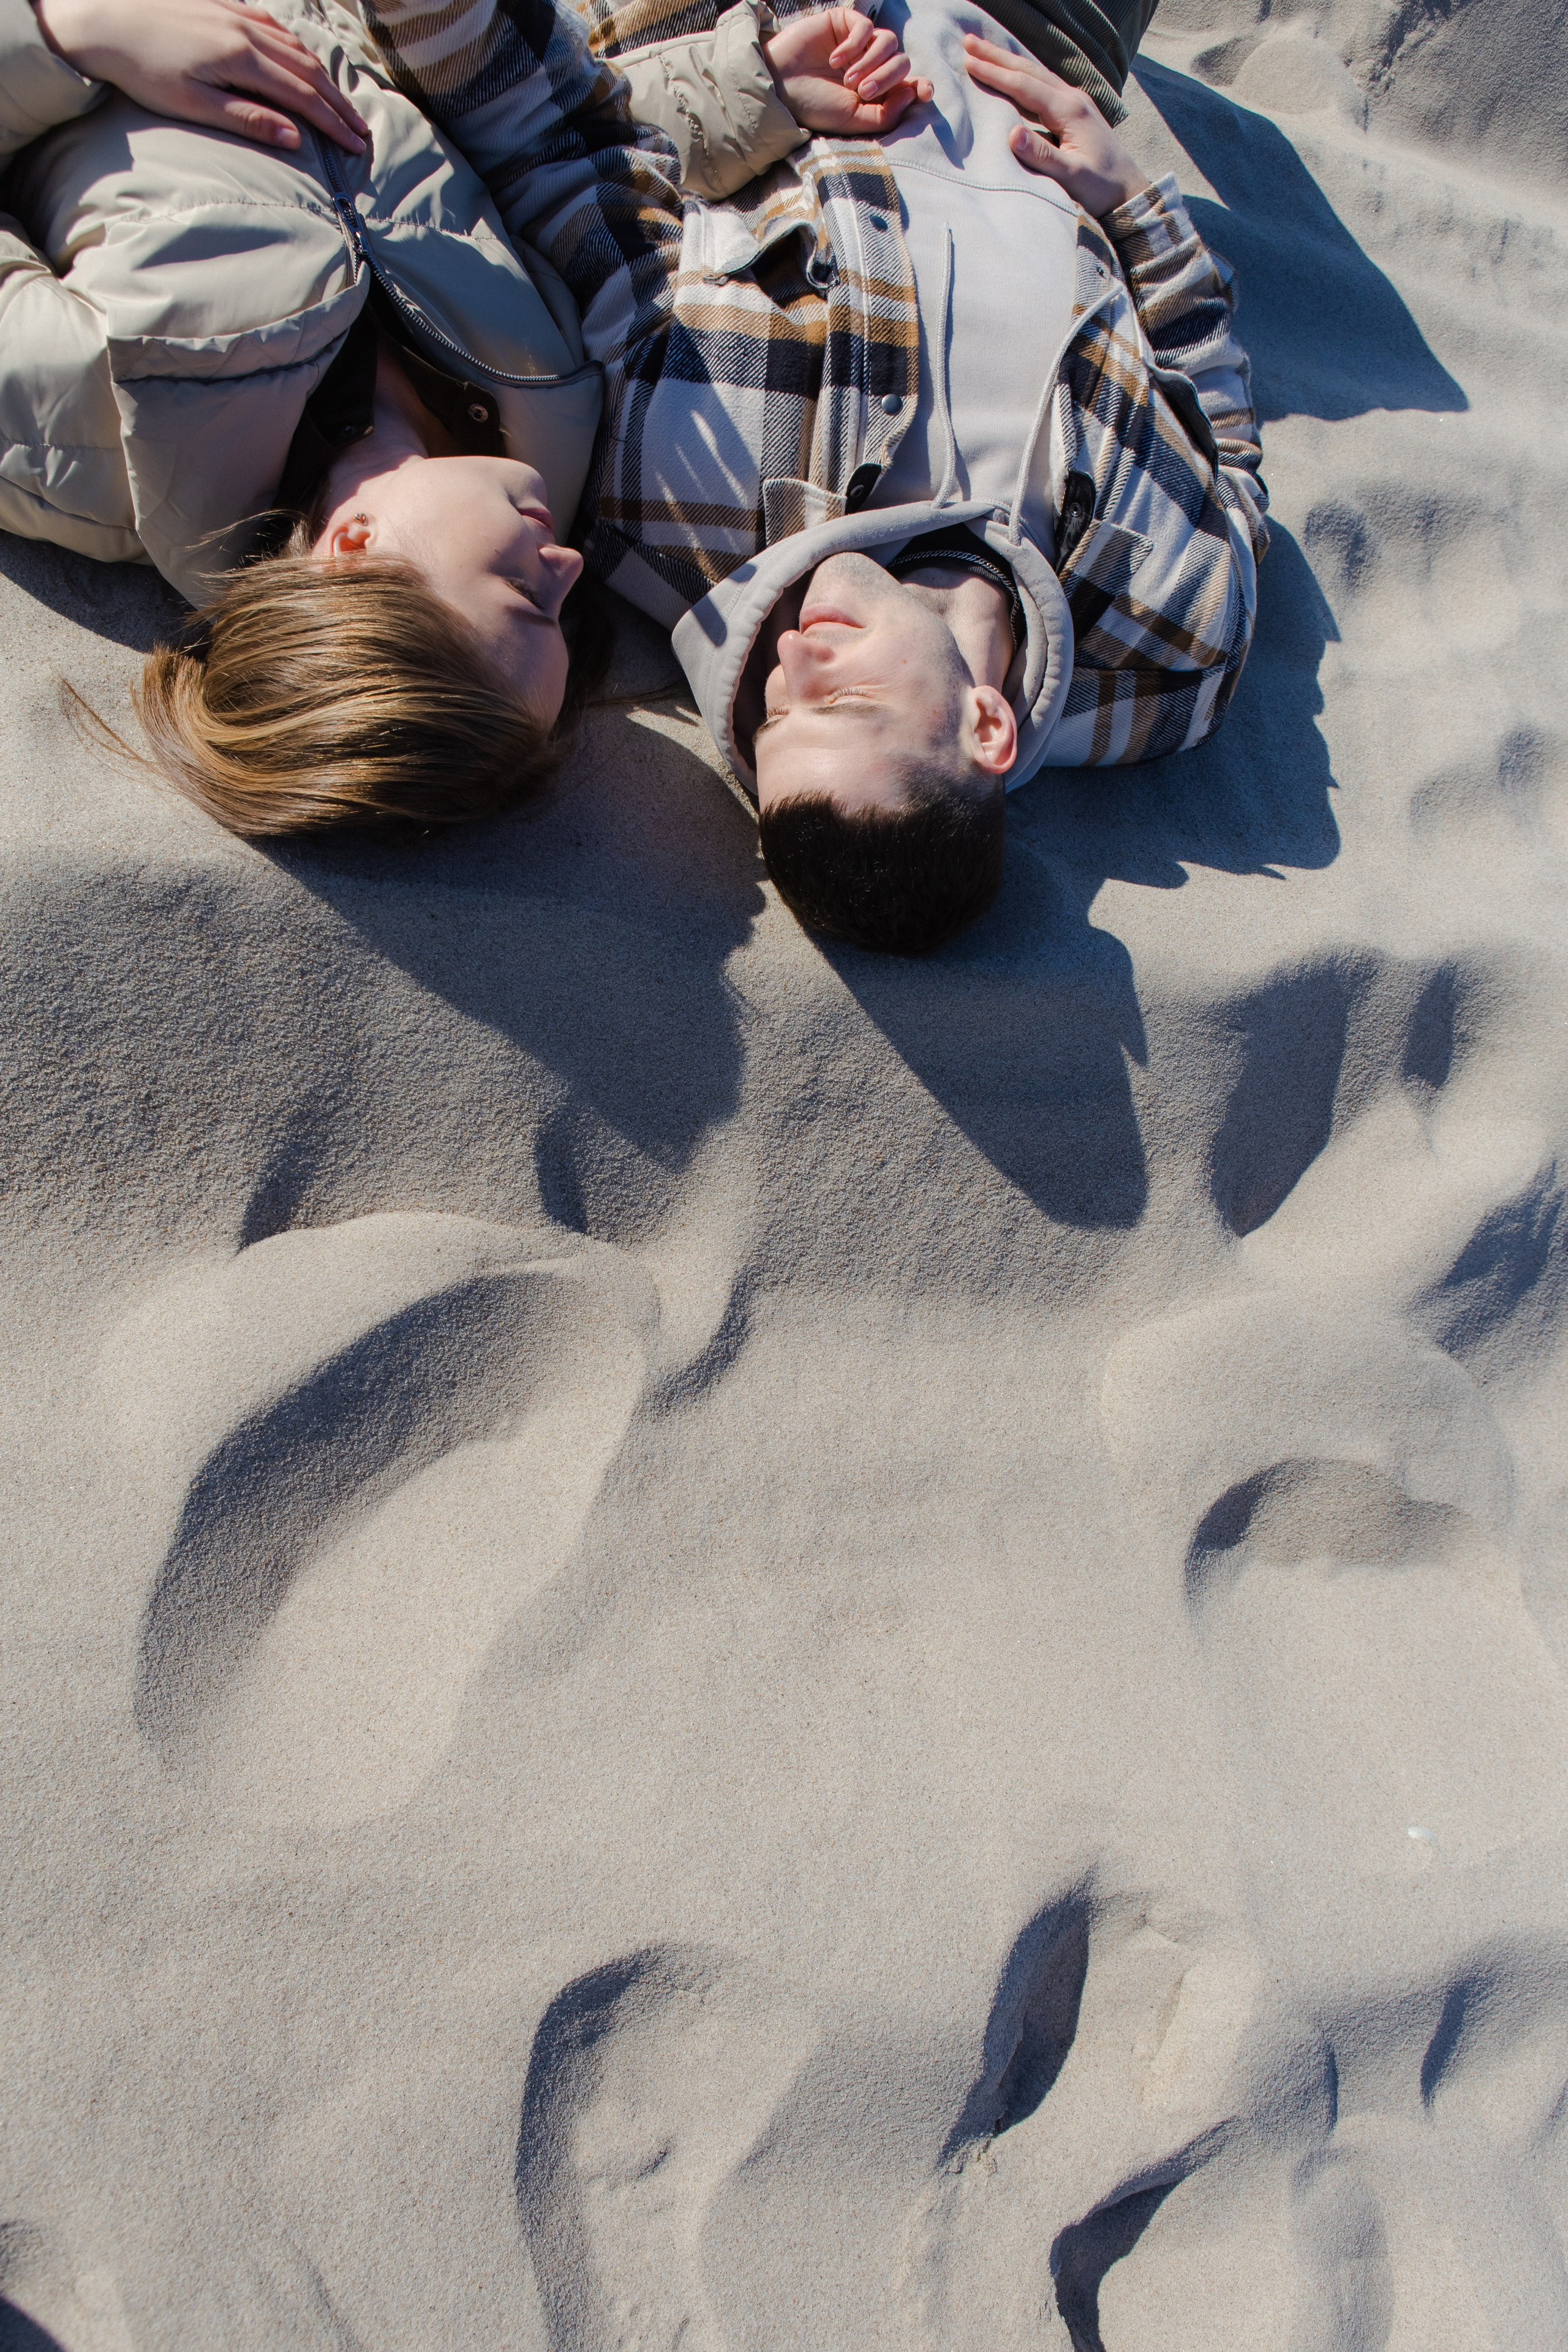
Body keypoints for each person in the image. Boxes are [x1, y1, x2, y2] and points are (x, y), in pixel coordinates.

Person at [361, 0, 1267, 950]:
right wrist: (1135, 209)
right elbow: (1224, 436)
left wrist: (755, 81)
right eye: (841, 699)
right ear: (987, 728)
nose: (790, 660)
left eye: (774, 715)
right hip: (1047, 40)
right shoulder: (1173, 648)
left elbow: (557, 154)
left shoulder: (673, 498)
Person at [0, 0, 926, 831]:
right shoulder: (555, 411)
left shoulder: (97, 430)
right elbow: (544, 154)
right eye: (564, 616)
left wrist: (71, 35)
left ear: (356, 548)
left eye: (528, 597)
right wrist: (745, 93)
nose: (567, 566)